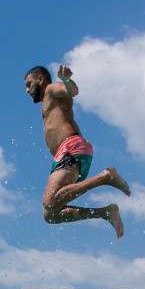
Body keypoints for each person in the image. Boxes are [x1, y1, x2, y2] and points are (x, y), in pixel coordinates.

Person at [24, 64, 129, 238]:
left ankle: (106, 177)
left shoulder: (51, 89)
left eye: (29, 84)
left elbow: (72, 91)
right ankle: (105, 212)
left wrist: (66, 79)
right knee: (51, 214)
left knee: (49, 201)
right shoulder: (47, 101)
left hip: (71, 148)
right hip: (67, 155)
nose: (27, 90)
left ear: (40, 79)